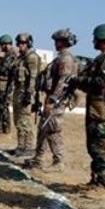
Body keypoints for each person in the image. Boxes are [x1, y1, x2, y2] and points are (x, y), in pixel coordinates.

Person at [73, 24, 105, 197]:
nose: (93, 41)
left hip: (103, 112)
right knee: (93, 147)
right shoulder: (102, 59)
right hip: (96, 109)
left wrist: (79, 80)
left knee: (100, 149)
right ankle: (95, 180)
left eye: (95, 38)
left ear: (103, 39)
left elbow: (100, 84)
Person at [25, 28, 79, 172]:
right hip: (52, 97)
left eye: (58, 41)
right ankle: (38, 158)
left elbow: (63, 81)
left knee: (53, 129)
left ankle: (58, 161)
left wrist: (53, 100)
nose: (55, 43)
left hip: (58, 100)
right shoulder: (60, 57)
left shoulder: (66, 59)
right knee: (43, 128)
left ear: (64, 42)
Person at [9, 32, 41, 157]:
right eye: (19, 43)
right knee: (18, 119)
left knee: (25, 120)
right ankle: (21, 145)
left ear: (28, 44)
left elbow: (33, 76)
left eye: (23, 43)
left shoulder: (31, 57)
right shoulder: (20, 58)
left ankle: (28, 146)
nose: (20, 45)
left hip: (26, 91)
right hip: (18, 90)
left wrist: (29, 92)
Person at [0, 34, 16, 135]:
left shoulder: (10, 55)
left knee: (3, 107)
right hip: (1, 84)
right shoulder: (7, 55)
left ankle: (5, 131)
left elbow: (2, 70)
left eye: (2, 45)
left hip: (5, 85)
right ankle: (0, 129)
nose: (2, 47)